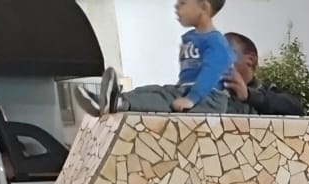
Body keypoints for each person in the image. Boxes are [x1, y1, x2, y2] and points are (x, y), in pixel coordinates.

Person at [74, 0, 235, 116]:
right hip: (188, 91)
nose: (176, 6)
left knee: (163, 98)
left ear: (204, 7)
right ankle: (111, 101)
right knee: (153, 90)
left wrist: (191, 99)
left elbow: (211, 73)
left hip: (209, 98)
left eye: (183, 3)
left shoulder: (215, 41)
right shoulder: (192, 38)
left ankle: (121, 103)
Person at [223, 33, 306, 116]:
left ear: (251, 59)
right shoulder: (217, 93)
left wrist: (249, 95)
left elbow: (297, 110)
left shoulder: (267, 91)